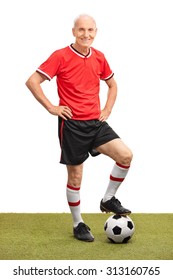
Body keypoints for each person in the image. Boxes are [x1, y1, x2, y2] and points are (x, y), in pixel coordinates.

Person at [25, 14, 133, 242]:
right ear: (73, 31)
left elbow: (112, 84)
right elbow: (32, 81)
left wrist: (107, 109)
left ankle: (108, 199)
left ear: (96, 32)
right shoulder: (60, 56)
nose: (86, 34)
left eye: (90, 30)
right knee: (75, 178)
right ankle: (78, 224)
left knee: (125, 155)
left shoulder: (100, 57)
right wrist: (51, 107)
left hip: (96, 123)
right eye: (81, 30)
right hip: (72, 125)